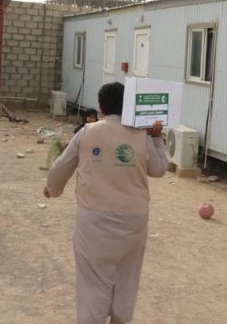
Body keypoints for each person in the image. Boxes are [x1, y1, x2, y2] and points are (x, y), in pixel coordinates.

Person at [44, 82, 167, 324]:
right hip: (134, 220)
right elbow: (159, 169)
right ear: (128, 105)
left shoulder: (86, 132)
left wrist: (52, 188)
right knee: (127, 278)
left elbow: (61, 166)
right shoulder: (141, 135)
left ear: (100, 107)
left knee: (92, 281)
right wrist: (157, 138)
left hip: (93, 220)